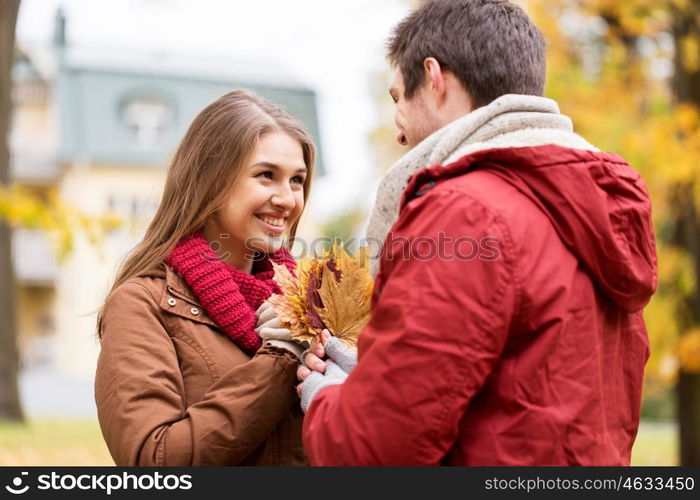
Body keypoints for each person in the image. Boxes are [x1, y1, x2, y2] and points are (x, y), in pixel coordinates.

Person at [296, 0, 657, 465]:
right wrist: (371, 383)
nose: (399, 132)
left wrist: (326, 400)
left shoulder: (464, 211)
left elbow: (375, 451)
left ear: (433, 78)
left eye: (397, 99)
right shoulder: (592, 209)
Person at [95, 89, 315, 466]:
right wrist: (279, 359)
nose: (287, 199)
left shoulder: (308, 305)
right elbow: (154, 461)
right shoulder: (142, 305)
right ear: (210, 180)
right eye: (266, 176)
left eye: (297, 180)